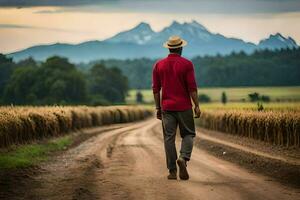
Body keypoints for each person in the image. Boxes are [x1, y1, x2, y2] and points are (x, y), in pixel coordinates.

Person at [152, 35, 201, 180]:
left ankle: (172, 171)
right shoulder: (187, 64)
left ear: (169, 48)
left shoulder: (158, 65)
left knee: (169, 138)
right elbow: (192, 87)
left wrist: (158, 108)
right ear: (180, 48)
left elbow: (156, 89)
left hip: (167, 107)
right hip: (184, 106)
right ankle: (183, 158)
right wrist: (196, 105)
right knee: (188, 134)